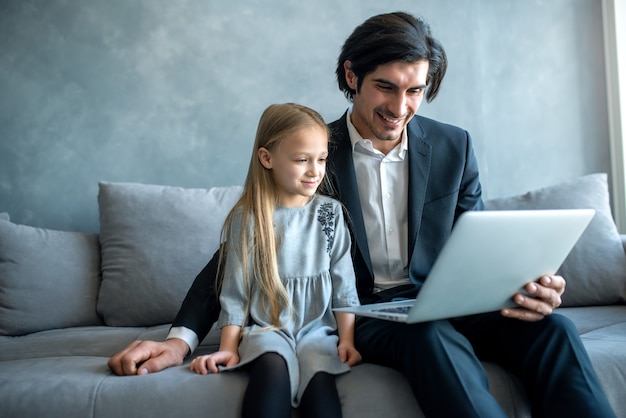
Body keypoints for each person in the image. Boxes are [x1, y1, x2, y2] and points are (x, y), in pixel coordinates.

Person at [109, 12, 616, 418]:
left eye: (415, 90)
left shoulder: (453, 145)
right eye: (386, 87)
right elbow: (244, 247)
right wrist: (179, 342)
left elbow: (478, 243)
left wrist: (527, 286)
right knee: (429, 334)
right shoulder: (311, 151)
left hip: (445, 300)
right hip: (365, 313)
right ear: (351, 75)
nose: (401, 106)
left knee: (556, 331)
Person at [193, 103, 360, 418]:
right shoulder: (249, 216)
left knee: (320, 379)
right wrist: (228, 347)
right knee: (272, 368)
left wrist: (347, 339)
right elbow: (236, 292)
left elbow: (343, 283)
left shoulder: (330, 212)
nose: (315, 171)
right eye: (302, 160)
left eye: (321, 159)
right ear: (267, 158)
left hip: (316, 329)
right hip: (266, 327)